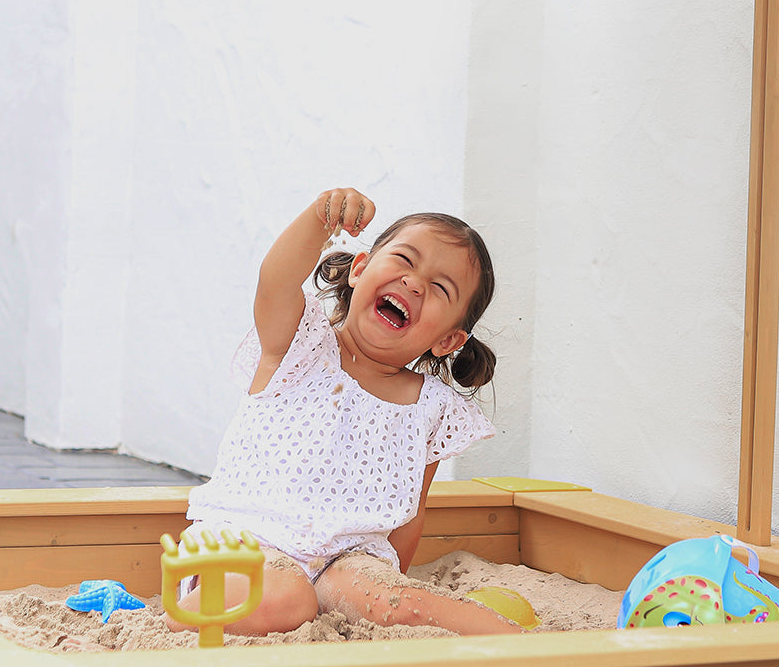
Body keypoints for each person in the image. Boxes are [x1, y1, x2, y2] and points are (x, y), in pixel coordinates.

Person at [167, 186, 521, 636]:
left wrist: (392, 583)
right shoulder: (300, 344)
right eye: (405, 261)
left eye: (438, 288)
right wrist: (320, 218)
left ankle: (538, 652)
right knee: (284, 595)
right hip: (244, 546)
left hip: (347, 564)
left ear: (449, 340)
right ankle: (170, 631)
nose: (414, 283)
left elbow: (410, 514)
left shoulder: (431, 407)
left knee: (404, 603)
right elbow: (275, 281)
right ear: (360, 268)